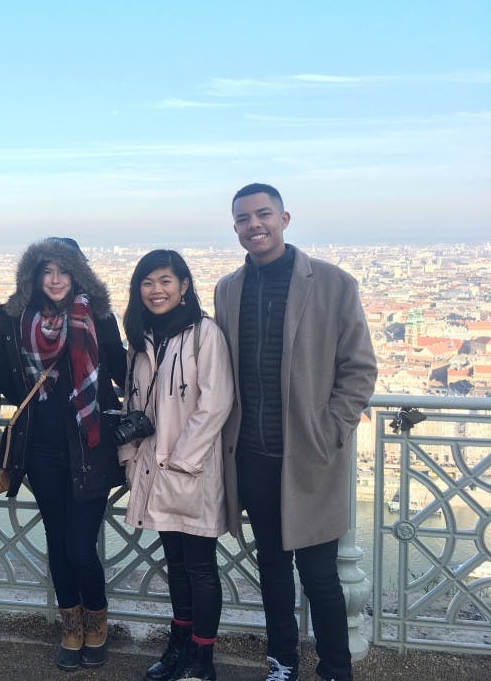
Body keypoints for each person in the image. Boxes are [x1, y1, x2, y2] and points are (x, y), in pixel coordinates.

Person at [214, 184, 377, 681]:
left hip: (310, 455)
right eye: (243, 219)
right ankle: (282, 662)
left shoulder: (332, 283)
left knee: (321, 576)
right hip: (254, 456)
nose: (254, 225)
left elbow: (360, 367)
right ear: (235, 228)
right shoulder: (227, 289)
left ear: (284, 218)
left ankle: (335, 668)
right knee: (273, 572)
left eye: (263, 214)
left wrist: (331, 428)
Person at [0, 237, 127, 671]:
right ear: (34, 276)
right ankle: (71, 625)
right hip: (42, 448)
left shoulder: (99, 317)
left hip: (89, 447)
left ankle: (98, 620)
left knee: (79, 547)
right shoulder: (17, 320)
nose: (55, 280)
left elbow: (123, 370)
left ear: (78, 275)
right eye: (47, 271)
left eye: (64, 271)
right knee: (57, 541)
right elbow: (8, 380)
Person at [118, 250, 234, 681]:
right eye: (148, 282)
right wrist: (130, 458)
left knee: (200, 567)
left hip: (192, 469)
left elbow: (216, 402)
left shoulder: (205, 334)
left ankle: (202, 659)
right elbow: (134, 404)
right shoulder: (142, 338)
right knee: (177, 565)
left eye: (165, 280)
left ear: (184, 286)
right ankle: (179, 647)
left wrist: (182, 459)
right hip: (153, 468)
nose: (156, 290)